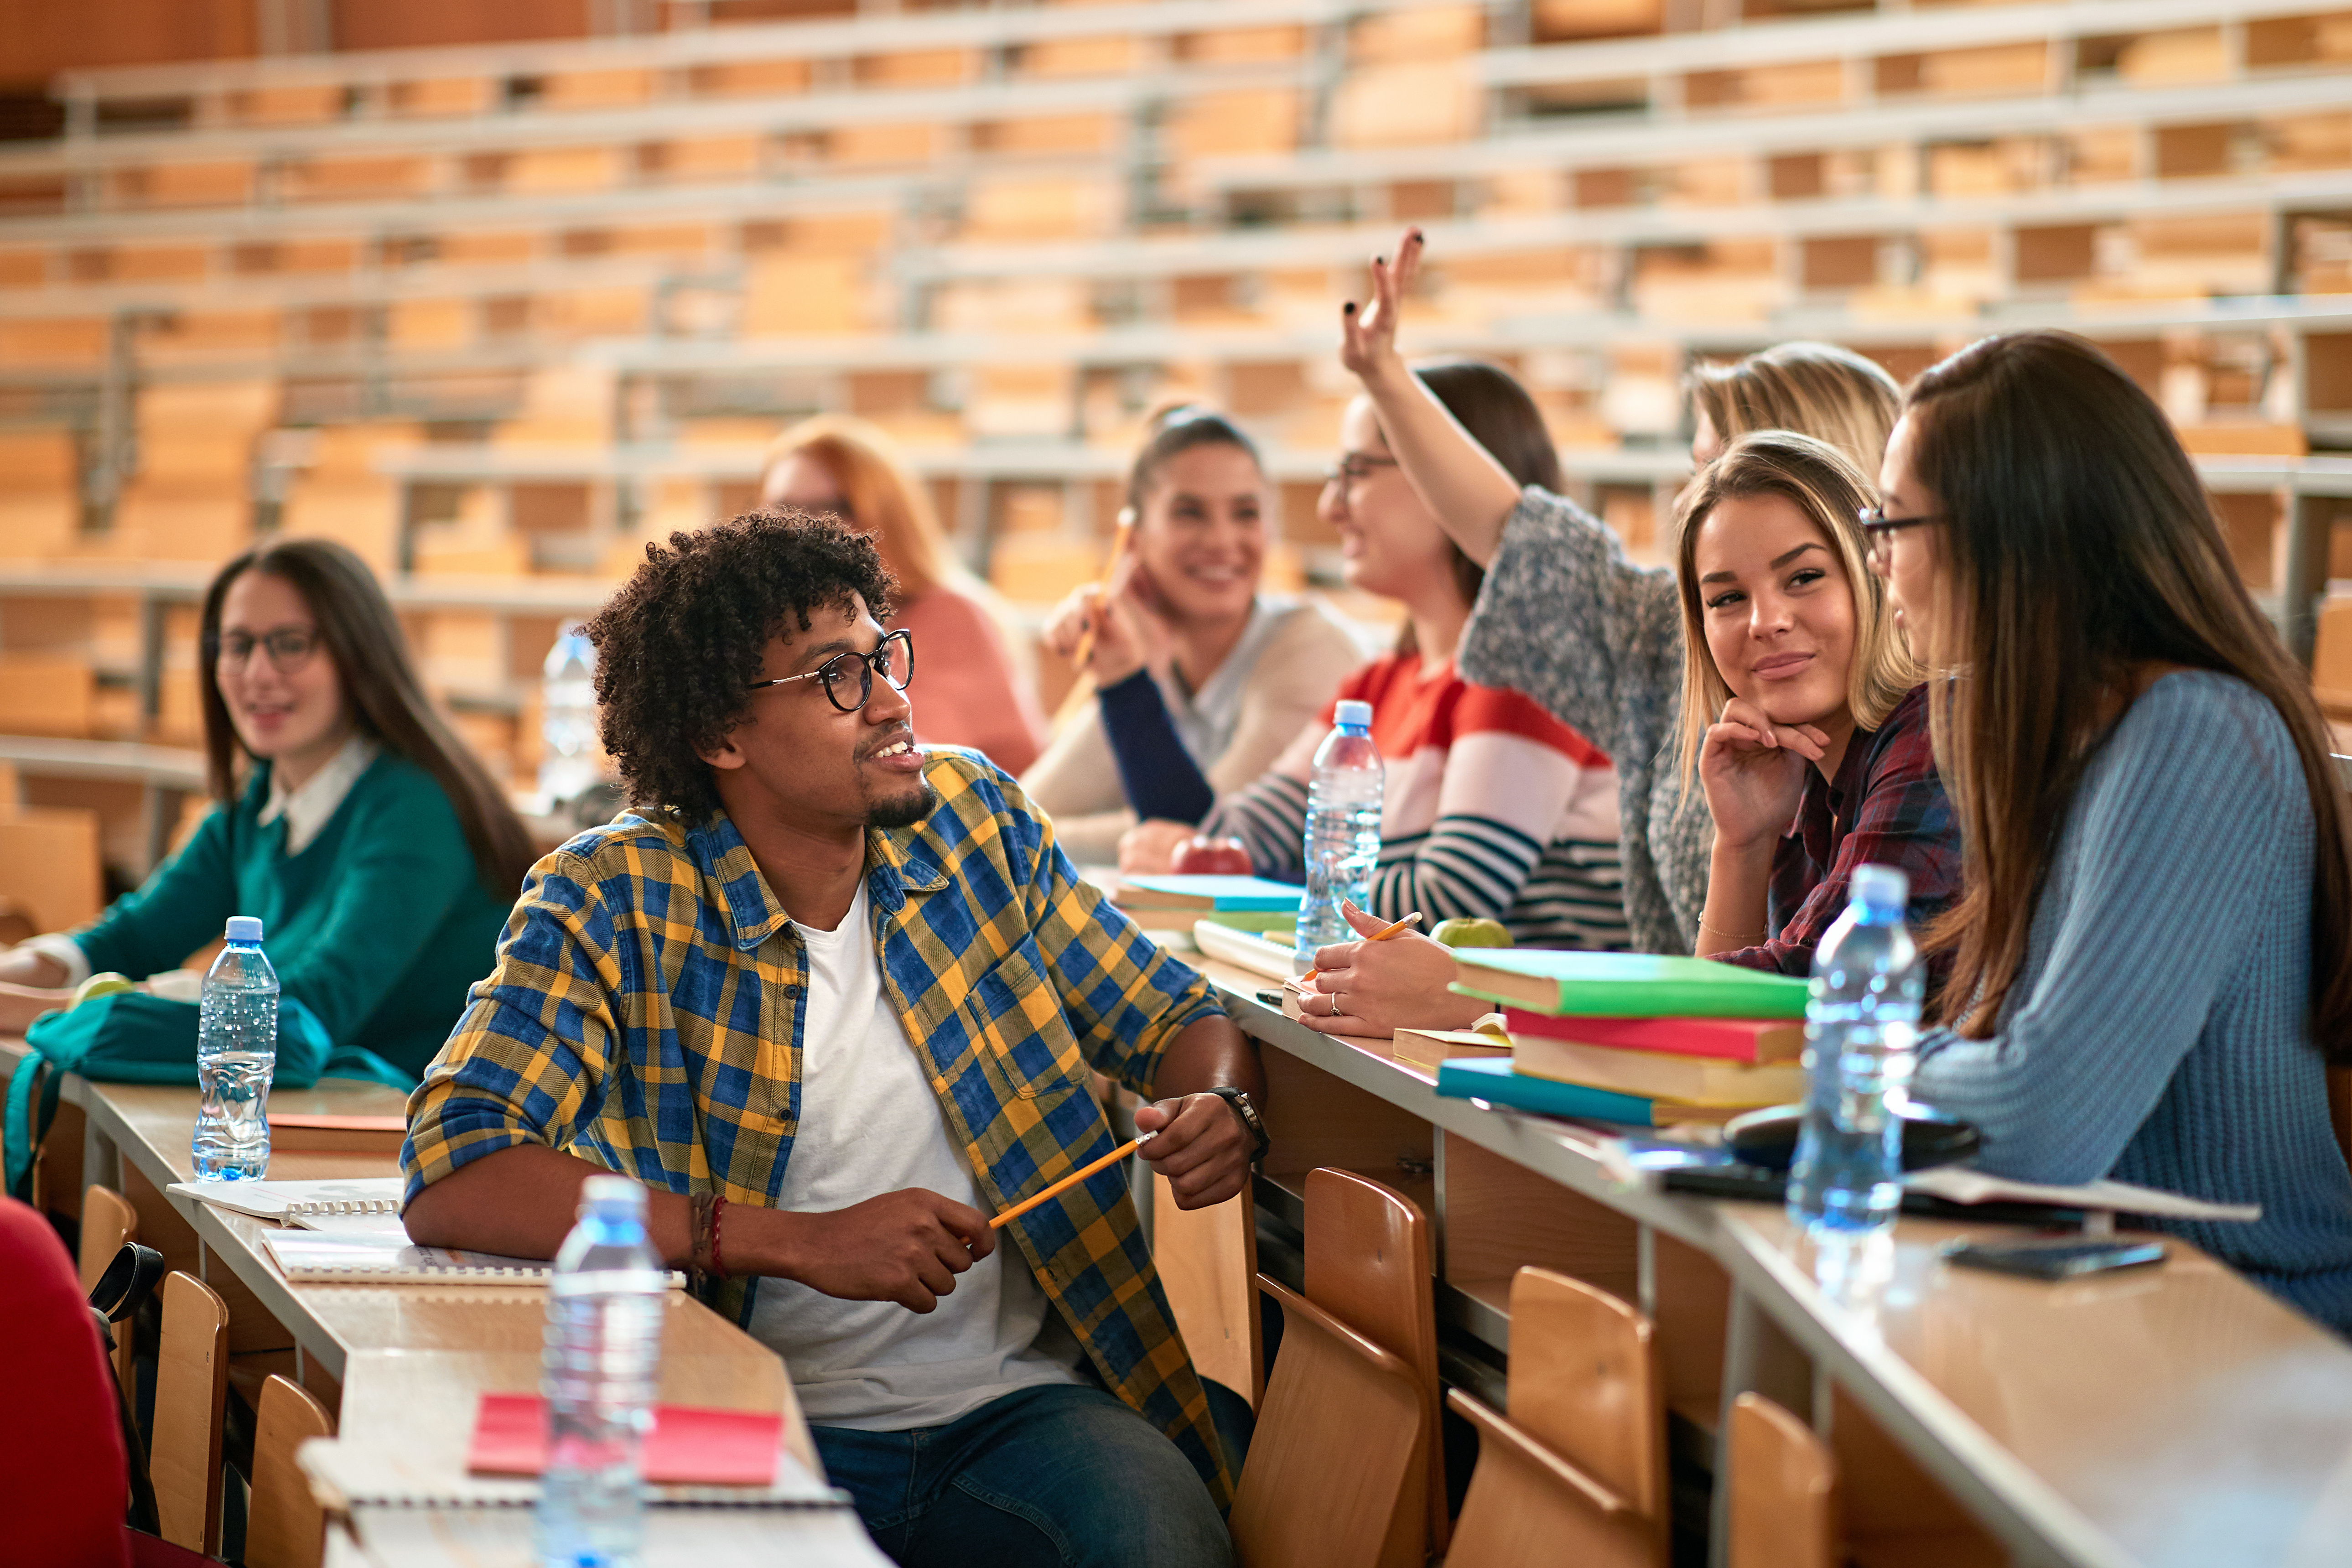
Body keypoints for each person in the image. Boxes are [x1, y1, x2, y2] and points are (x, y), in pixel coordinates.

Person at [400, 512, 1264, 1565]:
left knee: (1158, 1535)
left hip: (1015, 1416)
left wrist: (1218, 1100)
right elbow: (458, 1165)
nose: (895, 702)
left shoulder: (975, 822)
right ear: (722, 735)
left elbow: (1175, 1016)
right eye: (835, 678)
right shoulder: (613, 894)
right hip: (739, 1413)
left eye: (883, 657)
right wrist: (796, 1241)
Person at [1882, 331, 2352, 1331]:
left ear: (2000, 537)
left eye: (1892, 524)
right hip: (2119, 1304)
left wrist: (1854, 1059)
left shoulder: (2195, 736)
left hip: (2251, 1328)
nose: (1878, 559)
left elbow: (2039, 1121)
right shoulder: (2064, 741)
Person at [1339, 227, 1905, 957]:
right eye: (1699, 474)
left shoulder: (1920, 730)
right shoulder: (1675, 637)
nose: (1698, 506)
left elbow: (1795, 1011)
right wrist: (1384, 375)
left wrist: (1470, 999)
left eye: (1720, 470)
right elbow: (1517, 538)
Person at [1103, 361, 1631, 984]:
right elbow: (1228, 835)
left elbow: (1447, 904)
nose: (1330, 506)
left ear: (1446, 472)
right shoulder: (1374, 687)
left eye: (1354, 474)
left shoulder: (1526, 677)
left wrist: (1236, 875)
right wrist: (1123, 678)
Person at [0, 539, 533, 1078]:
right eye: (237, 646)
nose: (257, 673)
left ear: (357, 656)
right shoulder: (254, 803)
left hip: (407, 1135)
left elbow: (305, 1013)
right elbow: (134, 939)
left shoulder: (416, 808)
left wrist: (25, 1010)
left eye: (290, 644)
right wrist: (15, 973)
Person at [1027, 406, 1363, 864]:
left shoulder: (1310, 647)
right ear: (1133, 539)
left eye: (1246, 513)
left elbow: (1208, 838)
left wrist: (1026, 840)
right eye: (1190, 513)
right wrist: (1134, 667)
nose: (1222, 538)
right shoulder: (1154, 656)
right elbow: (1028, 807)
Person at [762, 415, 1049, 774]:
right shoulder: (768, 629)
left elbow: (1019, 768)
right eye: (783, 511)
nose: (807, 530)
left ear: (887, 516)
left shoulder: (952, 616)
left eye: (836, 509)